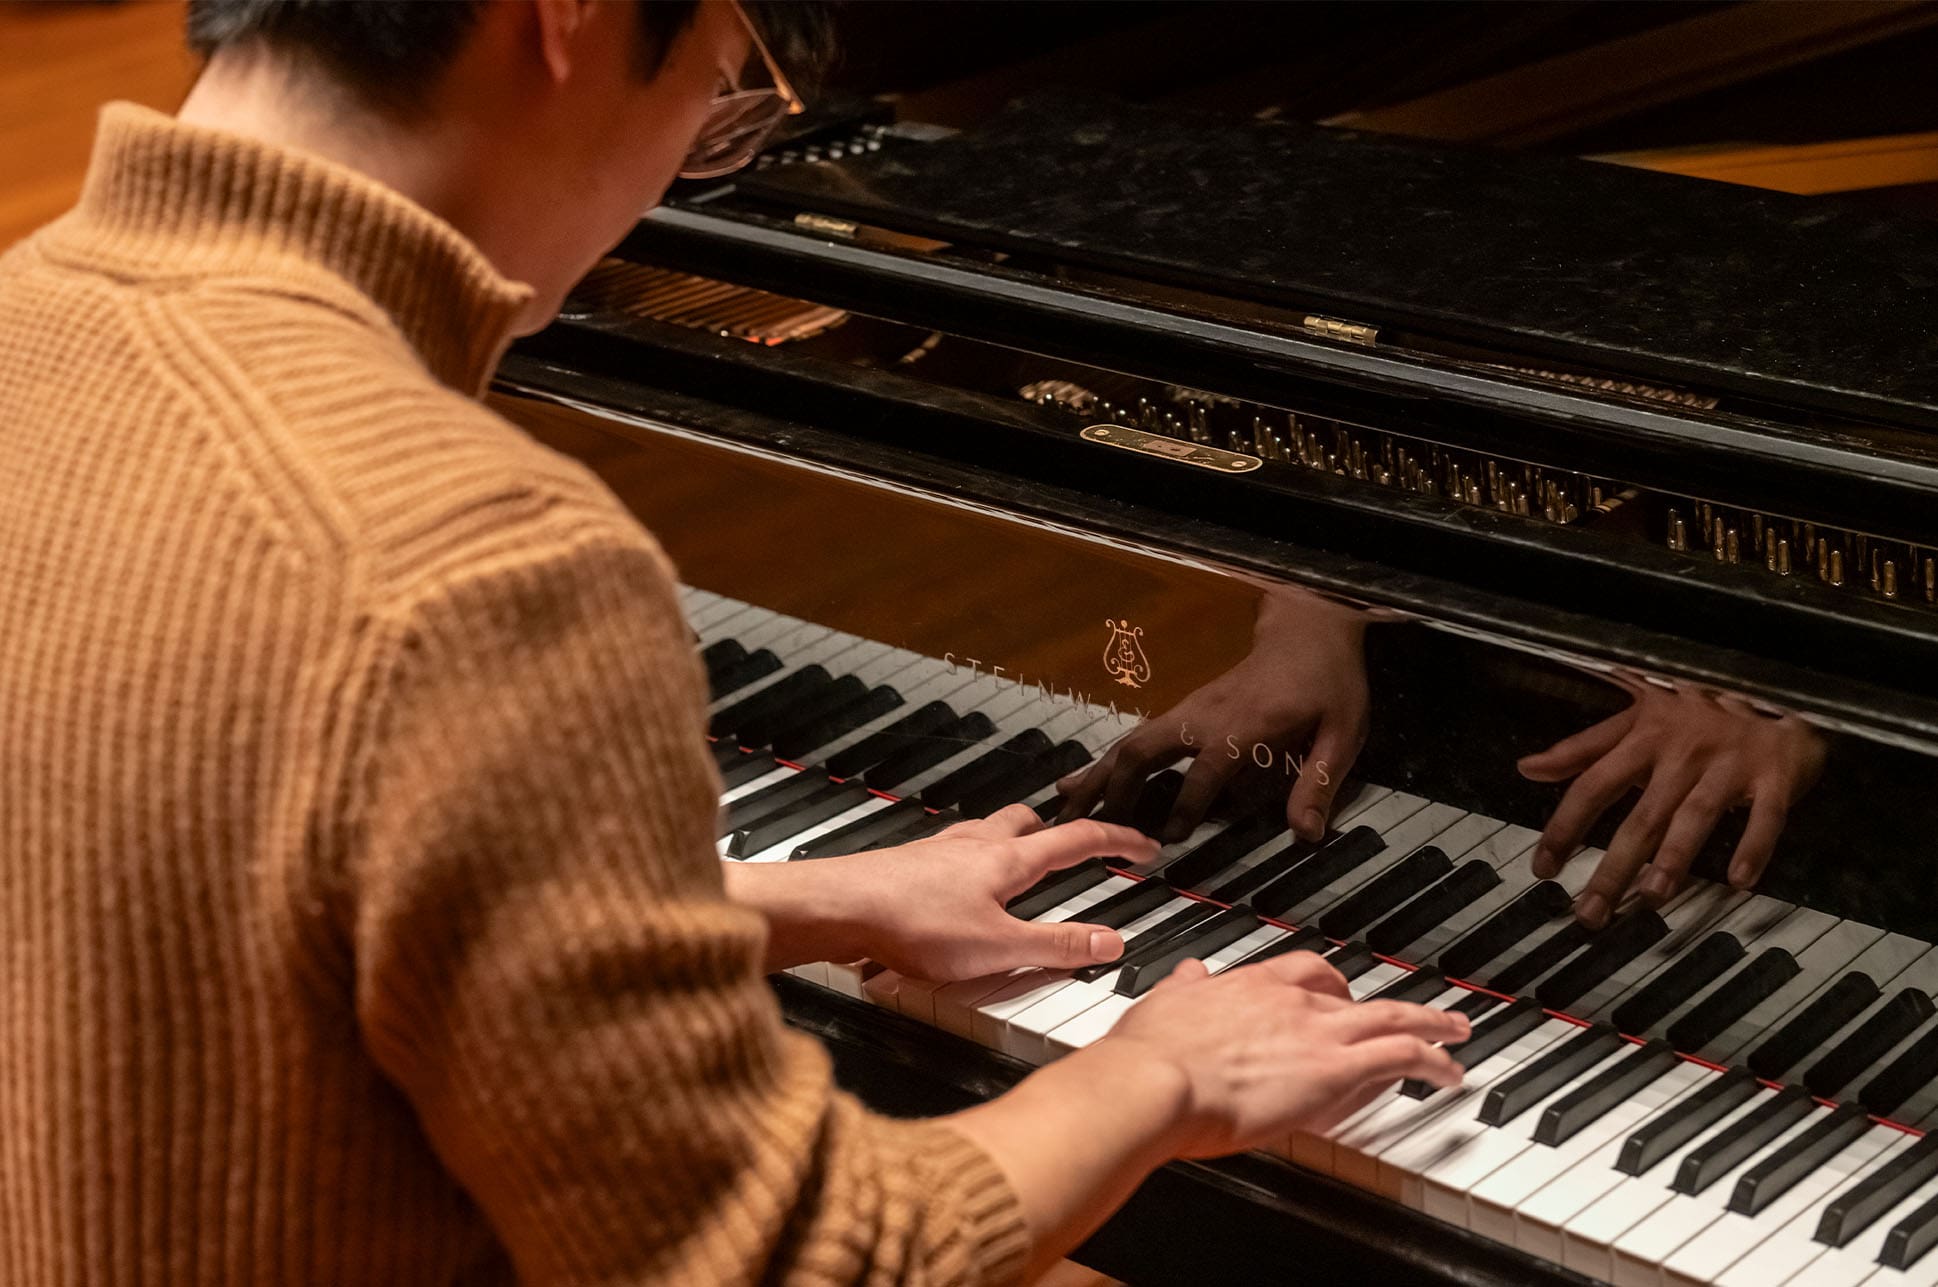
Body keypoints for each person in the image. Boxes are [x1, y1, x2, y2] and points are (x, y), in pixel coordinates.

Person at [0, 2, 1468, 1283]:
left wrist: (788, 900)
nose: (685, 166)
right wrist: (1159, 1079)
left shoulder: (31, 318)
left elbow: (211, 872)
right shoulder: (464, 557)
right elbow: (782, 1264)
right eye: (720, 86)